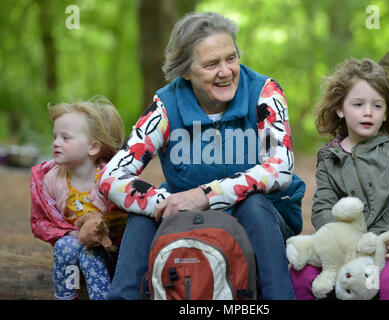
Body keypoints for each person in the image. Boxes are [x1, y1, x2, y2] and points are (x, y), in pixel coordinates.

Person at [100, 11, 305, 300]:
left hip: (262, 219)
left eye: (230, 58)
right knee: (142, 211)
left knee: (254, 203)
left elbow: (280, 168)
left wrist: (205, 195)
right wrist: (164, 203)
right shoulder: (166, 105)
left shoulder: (264, 92)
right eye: (211, 64)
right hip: (187, 218)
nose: (225, 71)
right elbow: (112, 176)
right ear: (185, 71)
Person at [290, 58, 389, 300]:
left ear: (385, 114)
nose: (367, 112)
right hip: (339, 247)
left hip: (386, 248)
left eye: (377, 106)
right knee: (301, 277)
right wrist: (339, 240)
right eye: (358, 104)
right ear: (340, 108)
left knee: (386, 280)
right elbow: (321, 208)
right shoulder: (330, 157)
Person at [30, 96, 126, 300]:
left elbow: (125, 219)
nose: (56, 143)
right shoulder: (50, 180)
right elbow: (39, 222)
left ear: (93, 147)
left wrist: (103, 233)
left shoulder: (109, 181)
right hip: (73, 245)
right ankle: (67, 294)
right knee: (66, 246)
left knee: (90, 258)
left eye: (66, 138)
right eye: (55, 136)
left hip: (108, 250)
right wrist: (69, 234)